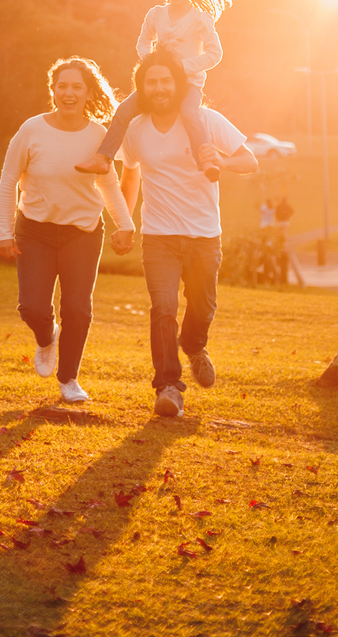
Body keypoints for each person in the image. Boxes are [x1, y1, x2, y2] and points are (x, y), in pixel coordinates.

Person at [116, 49, 258, 417]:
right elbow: (130, 175)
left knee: (203, 305)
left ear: (179, 84)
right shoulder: (135, 129)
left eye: (166, 80)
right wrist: (125, 223)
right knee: (162, 308)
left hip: (203, 234)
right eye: (152, 82)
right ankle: (167, 387)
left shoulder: (205, 120)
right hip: (159, 236)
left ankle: (194, 345)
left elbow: (250, 160)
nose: (159, 88)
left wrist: (220, 160)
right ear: (142, 87)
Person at [0, 56, 136, 405]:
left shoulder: (99, 135)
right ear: (53, 90)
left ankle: (69, 378)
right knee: (31, 308)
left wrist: (126, 224)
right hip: (35, 231)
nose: (69, 93)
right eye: (62, 86)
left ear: (88, 92)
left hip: (82, 233)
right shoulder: (32, 130)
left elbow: (109, 184)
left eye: (77, 87)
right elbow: (8, 180)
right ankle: (47, 339)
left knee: (77, 308)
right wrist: (3, 232)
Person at [76, 0, 231, 182]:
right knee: (123, 110)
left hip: (189, 84)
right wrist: (150, 65)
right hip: (158, 83)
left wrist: (182, 66)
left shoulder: (200, 19)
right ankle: (103, 158)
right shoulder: (155, 15)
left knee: (189, 113)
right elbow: (143, 42)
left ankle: (205, 160)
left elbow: (214, 54)